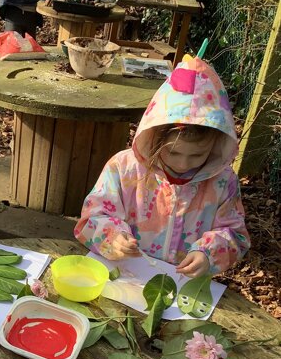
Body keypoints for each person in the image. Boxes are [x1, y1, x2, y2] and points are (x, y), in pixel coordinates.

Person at [75, 56, 250, 277]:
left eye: (197, 155)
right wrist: (112, 237)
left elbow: (236, 235)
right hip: (125, 276)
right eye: (173, 152)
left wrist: (208, 254)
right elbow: (92, 218)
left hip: (181, 285)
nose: (183, 164)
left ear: (216, 145)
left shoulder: (223, 182)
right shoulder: (124, 168)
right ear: (155, 137)